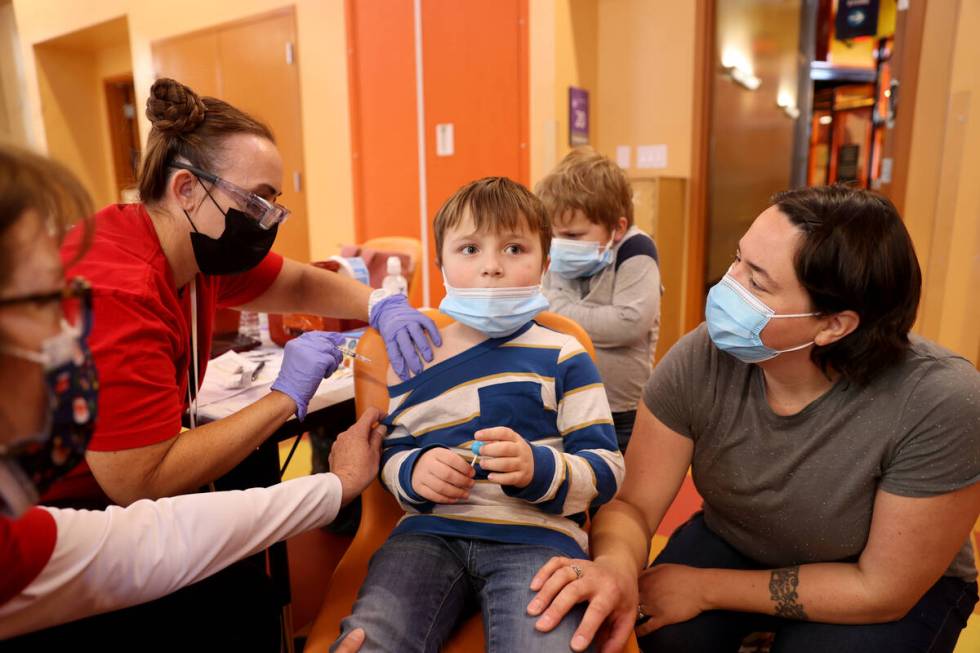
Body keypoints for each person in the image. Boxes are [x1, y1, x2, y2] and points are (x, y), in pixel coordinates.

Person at [527, 185, 980, 653]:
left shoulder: (939, 400)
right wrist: (617, 568)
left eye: (757, 283)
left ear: (833, 325)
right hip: (741, 540)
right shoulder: (703, 357)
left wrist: (703, 589)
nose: (728, 287)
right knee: (655, 631)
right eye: (737, 260)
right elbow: (633, 507)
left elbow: (881, 589)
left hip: (879, 583)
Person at [0, 142, 372, 651]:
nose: (71, 339)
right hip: (94, 503)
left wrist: (385, 303)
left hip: (96, 519)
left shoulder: (191, 253)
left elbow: (148, 543)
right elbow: (137, 491)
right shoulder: (119, 291)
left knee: (240, 593)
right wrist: (291, 410)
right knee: (229, 606)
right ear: (187, 189)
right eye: (45, 305)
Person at [332, 177, 626, 652]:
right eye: (469, 249)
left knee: (547, 644)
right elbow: (393, 449)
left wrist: (537, 468)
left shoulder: (564, 355)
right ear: (441, 265)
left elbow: (606, 469)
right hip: (428, 536)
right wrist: (414, 470)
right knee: (373, 637)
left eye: (514, 248)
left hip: (539, 539)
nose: (491, 267)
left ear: (545, 264)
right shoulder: (416, 353)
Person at [536, 148, 660, 452]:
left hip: (621, 409)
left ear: (616, 228)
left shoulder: (636, 250)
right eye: (554, 235)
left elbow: (629, 324)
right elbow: (541, 318)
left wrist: (556, 309)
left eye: (574, 235)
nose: (560, 245)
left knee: (620, 492)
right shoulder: (558, 254)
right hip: (566, 402)